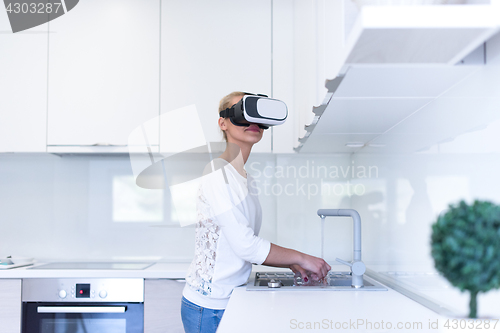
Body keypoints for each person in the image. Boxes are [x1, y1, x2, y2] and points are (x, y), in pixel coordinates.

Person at [180, 92, 331, 333]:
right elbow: (246, 246)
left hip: (230, 298)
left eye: (258, 116)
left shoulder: (247, 179)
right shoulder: (217, 173)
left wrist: (290, 263)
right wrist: (299, 257)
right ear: (223, 123)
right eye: (243, 113)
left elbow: (243, 245)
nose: (252, 123)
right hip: (208, 306)